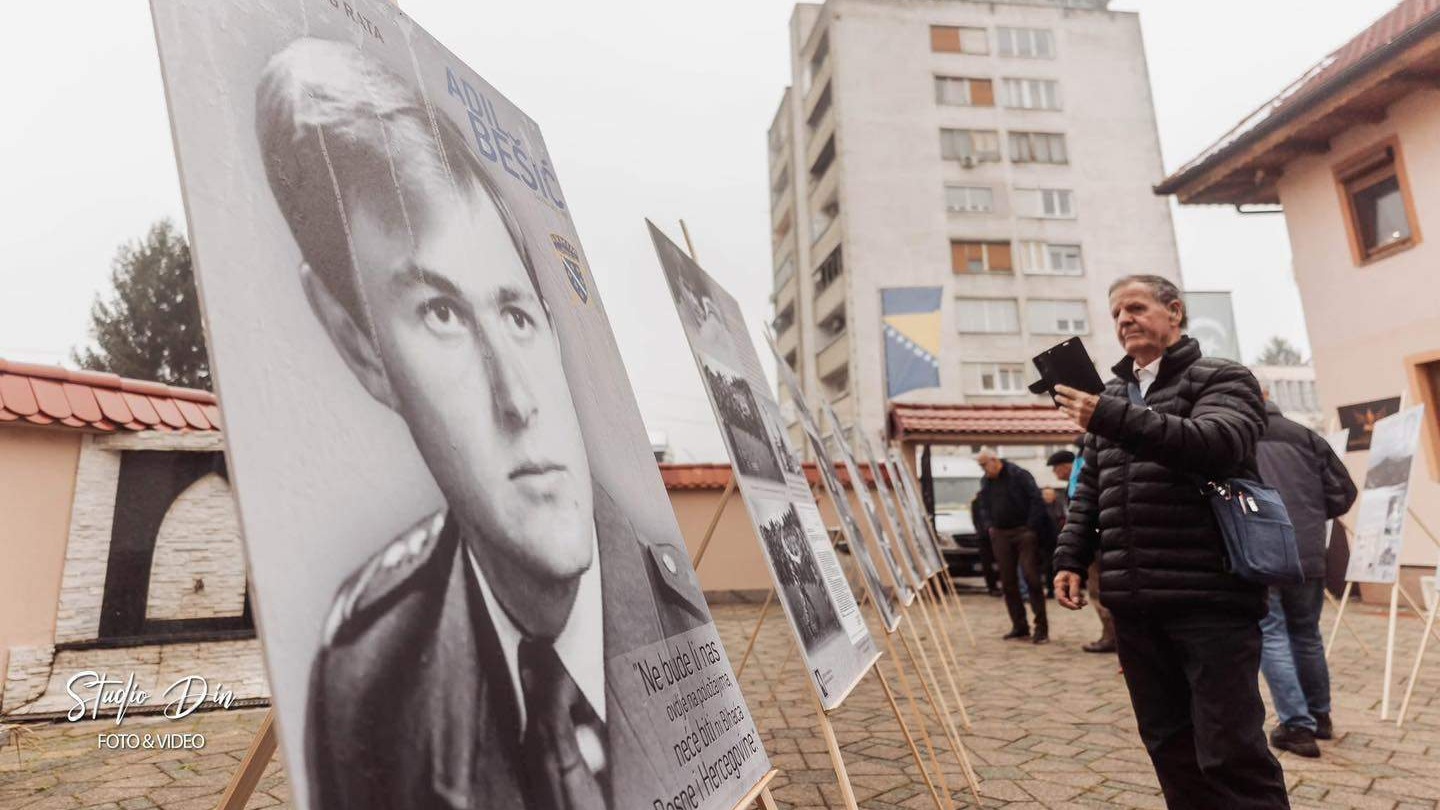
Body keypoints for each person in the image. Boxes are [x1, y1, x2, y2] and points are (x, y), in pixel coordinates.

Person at [256, 39, 708, 810]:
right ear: (358, 342)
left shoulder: (682, 620)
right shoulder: (367, 677)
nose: (519, 399)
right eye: (441, 313)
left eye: (516, 312)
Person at [1052, 274, 1289, 809]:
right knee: (1168, 746)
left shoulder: (1222, 378)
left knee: (1231, 753)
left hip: (1211, 602)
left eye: (1135, 308)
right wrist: (1071, 553)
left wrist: (1109, 415)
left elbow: (1218, 443)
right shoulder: (1110, 395)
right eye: (1115, 314)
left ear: (1175, 312)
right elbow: (1090, 485)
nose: (1123, 321)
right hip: (1136, 605)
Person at [1255, 386, 1358, 758]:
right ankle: (1320, 716)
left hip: (1262, 551)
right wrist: (1313, 517)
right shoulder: (1306, 436)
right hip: (1309, 552)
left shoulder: (1236, 433)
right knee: (1307, 634)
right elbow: (1344, 491)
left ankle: (1297, 726)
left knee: (1272, 633)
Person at [976, 448, 1051, 643]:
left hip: (1023, 532)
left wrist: (1031, 527)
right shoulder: (986, 482)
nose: (983, 469)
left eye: (984, 464)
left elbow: (1036, 499)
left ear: (994, 460)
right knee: (1008, 582)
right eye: (980, 465)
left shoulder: (1019, 475)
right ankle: (1020, 626)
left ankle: (1041, 628)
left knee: (1031, 578)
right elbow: (983, 506)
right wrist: (989, 526)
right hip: (1000, 533)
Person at [1048, 449, 1114, 653]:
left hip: (1097, 544)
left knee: (1099, 592)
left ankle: (1111, 637)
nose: (1055, 474)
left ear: (1067, 466)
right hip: (1097, 543)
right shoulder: (1081, 479)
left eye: (1056, 469)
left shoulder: (1085, 474)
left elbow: (1084, 515)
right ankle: (1109, 635)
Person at [970, 491, 1002, 596]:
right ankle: (993, 586)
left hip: (988, 535)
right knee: (989, 563)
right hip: (986, 536)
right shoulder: (980, 502)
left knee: (992, 563)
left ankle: (993, 587)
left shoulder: (980, 502)